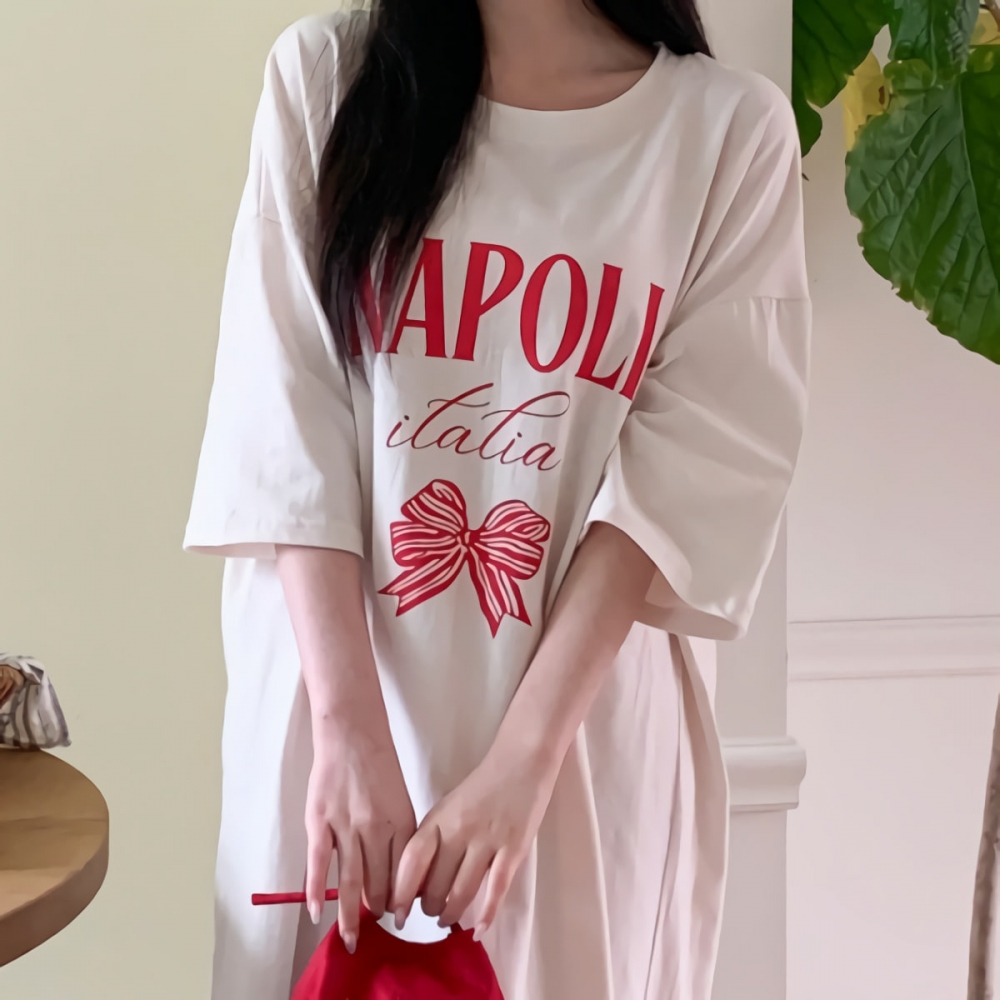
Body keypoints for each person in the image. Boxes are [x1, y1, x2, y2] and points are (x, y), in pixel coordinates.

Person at [185, 1, 811, 997]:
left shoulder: (726, 135)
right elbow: (284, 418)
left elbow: (683, 478)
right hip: (332, 729)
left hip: (575, 754)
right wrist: (349, 728)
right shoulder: (326, 79)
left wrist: (525, 763)